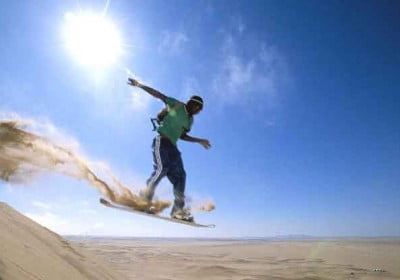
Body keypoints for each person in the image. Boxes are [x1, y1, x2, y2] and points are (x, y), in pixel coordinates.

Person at [127, 78, 211, 222]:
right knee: (162, 168)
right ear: (191, 104)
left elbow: (182, 136)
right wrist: (140, 85)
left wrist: (199, 141)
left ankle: (178, 211)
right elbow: (159, 95)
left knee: (181, 176)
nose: (196, 111)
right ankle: (143, 201)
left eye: (199, 110)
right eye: (196, 107)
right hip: (162, 142)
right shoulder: (177, 105)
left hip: (173, 148)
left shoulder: (190, 121)